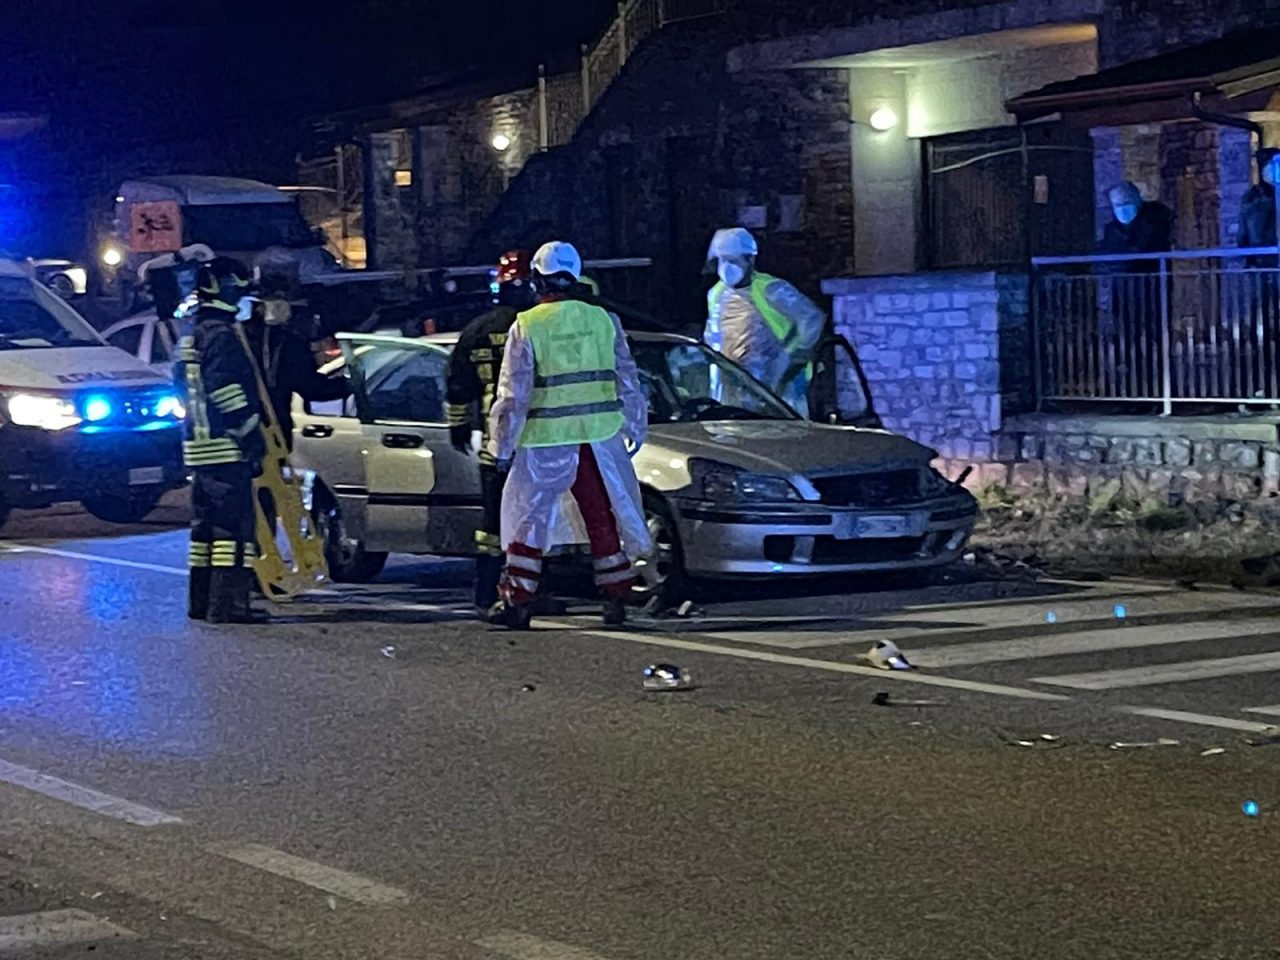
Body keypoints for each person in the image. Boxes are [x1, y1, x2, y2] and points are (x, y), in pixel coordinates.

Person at [487, 241, 650, 629]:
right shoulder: (604, 320)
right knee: (601, 517)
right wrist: (635, 425)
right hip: (598, 437)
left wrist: (501, 447)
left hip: (545, 440)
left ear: (537, 280)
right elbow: (627, 378)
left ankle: (518, 600)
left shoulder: (527, 325)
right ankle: (616, 597)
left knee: (528, 519)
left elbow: (514, 395)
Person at [174, 257, 267, 624]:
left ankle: (201, 603)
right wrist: (251, 439)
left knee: (204, 535)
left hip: (197, 448)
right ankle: (228, 605)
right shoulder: (222, 337)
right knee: (234, 532)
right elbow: (227, 393)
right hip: (227, 448)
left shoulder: (190, 336)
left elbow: (183, 391)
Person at [445, 249, 536, 613]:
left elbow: (456, 382)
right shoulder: (534, 327)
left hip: (494, 446)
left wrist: (458, 426)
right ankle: (527, 591)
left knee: (493, 524)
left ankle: (486, 591)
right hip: (533, 443)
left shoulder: (476, 330)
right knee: (529, 521)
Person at [703, 227, 825, 415]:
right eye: (723, 260)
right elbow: (714, 337)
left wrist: (795, 357)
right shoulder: (716, 294)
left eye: (733, 260)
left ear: (750, 260)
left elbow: (812, 319)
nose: (727, 267)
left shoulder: (773, 290)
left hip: (776, 388)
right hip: (731, 387)